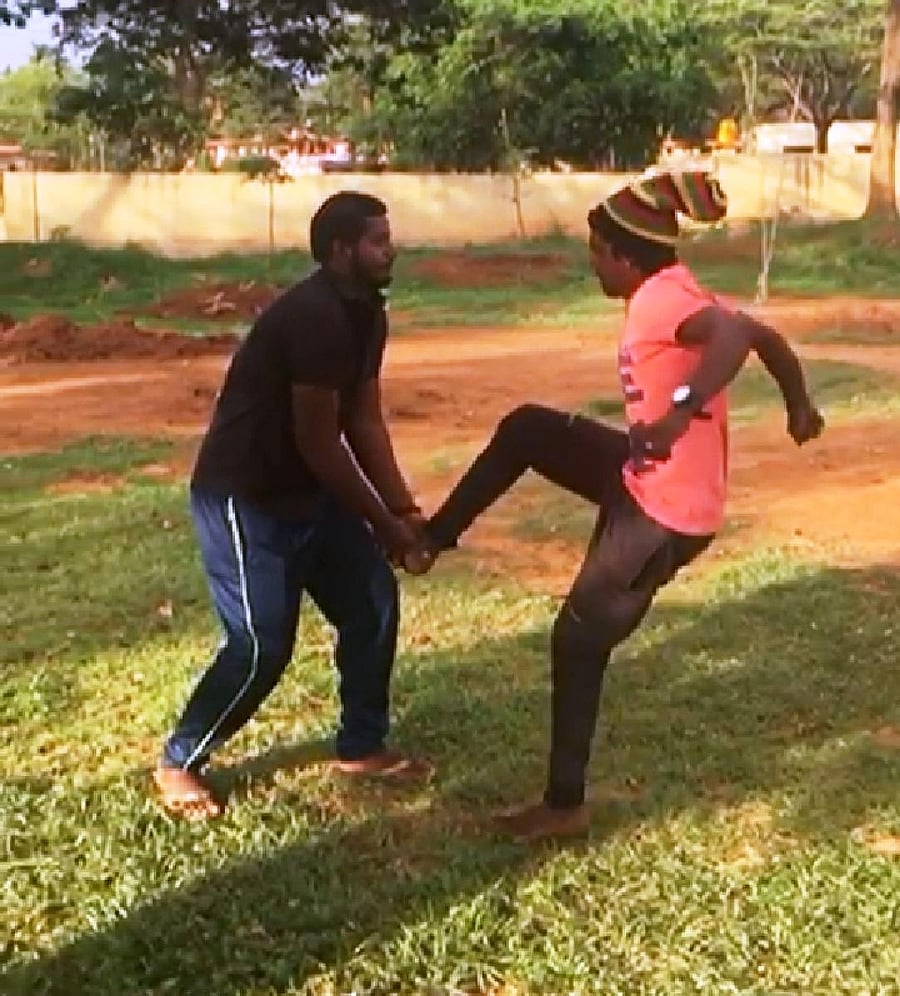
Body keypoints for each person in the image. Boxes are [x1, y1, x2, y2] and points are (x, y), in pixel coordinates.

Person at [406, 171, 825, 842]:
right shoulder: (671, 288)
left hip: (664, 515)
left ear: (626, 257)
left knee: (576, 641)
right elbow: (761, 334)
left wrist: (678, 413)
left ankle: (564, 805)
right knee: (528, 430)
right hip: (639, 478)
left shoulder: (661, 302)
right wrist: (798, 402)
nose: (592, 262)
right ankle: (433, 538)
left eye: (598, 251)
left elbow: (736, 338)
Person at [155, 191, 430, 819]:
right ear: (340, 250)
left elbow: (362, 416)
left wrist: (403, 508)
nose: (391, 249)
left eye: (388, 238)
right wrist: (386, 526)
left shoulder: (367, 314)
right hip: (246, 499)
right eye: (377, 241)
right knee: (260, 645)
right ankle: (179, 760)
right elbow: (319, 440)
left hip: (310, 493)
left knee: (372, 603)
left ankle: (362, 746)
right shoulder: (314, 316)